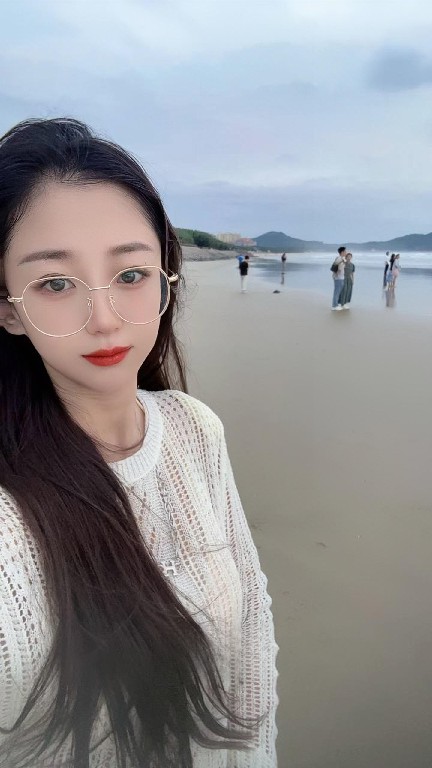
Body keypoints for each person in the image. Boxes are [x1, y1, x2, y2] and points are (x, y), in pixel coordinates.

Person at [0, 118, 278, 768]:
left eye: (130, 274)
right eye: (56, 283)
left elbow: (252, 631)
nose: (104, 319)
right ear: (8, 308)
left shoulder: (193, 428)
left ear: (165, 278)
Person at [331, 246, 346, 310]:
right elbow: (338, 268)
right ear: (342, 252)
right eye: (345, 251)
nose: (346, 252)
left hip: (340, 277)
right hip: (338, 278)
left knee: (338, 291)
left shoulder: (340, 258)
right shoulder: (340, 259)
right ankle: (334, 306)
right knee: (337, 292)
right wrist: (336, 275)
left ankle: (336, 304)